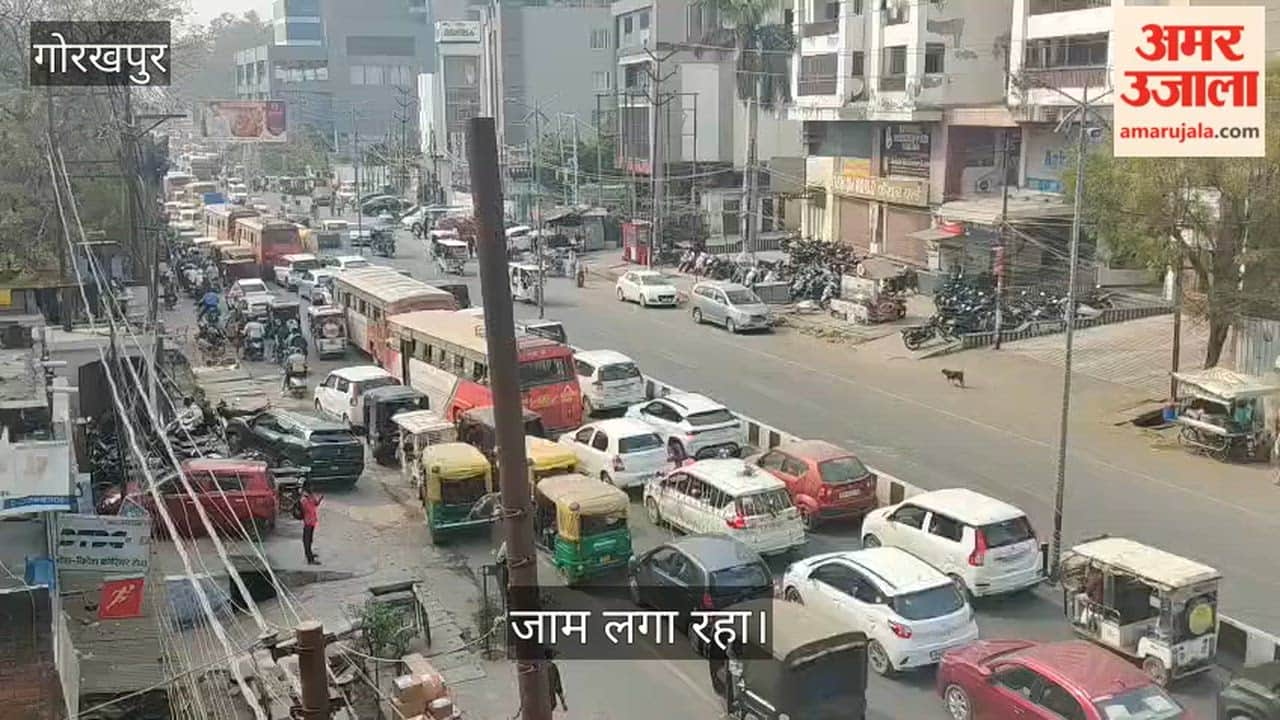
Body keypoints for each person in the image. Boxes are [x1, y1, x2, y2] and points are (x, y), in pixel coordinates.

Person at [299, 482, 323, 565]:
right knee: (307, 540)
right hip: (308, 522)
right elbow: (308, 509)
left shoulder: (310, 495)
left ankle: (310, 554)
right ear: (307, 487)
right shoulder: (304, 498)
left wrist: (319, 499)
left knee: (310, 540)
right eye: (311, 487)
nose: (312, 488)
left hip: (312, 521)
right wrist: (311, 501)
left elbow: (315, 504)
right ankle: (310, 559)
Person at [545, 647, 567, 712]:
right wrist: (563, 703)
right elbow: (558, 687)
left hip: (539, 702)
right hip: (549, 702)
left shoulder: (538, 667)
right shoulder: (552, 668)